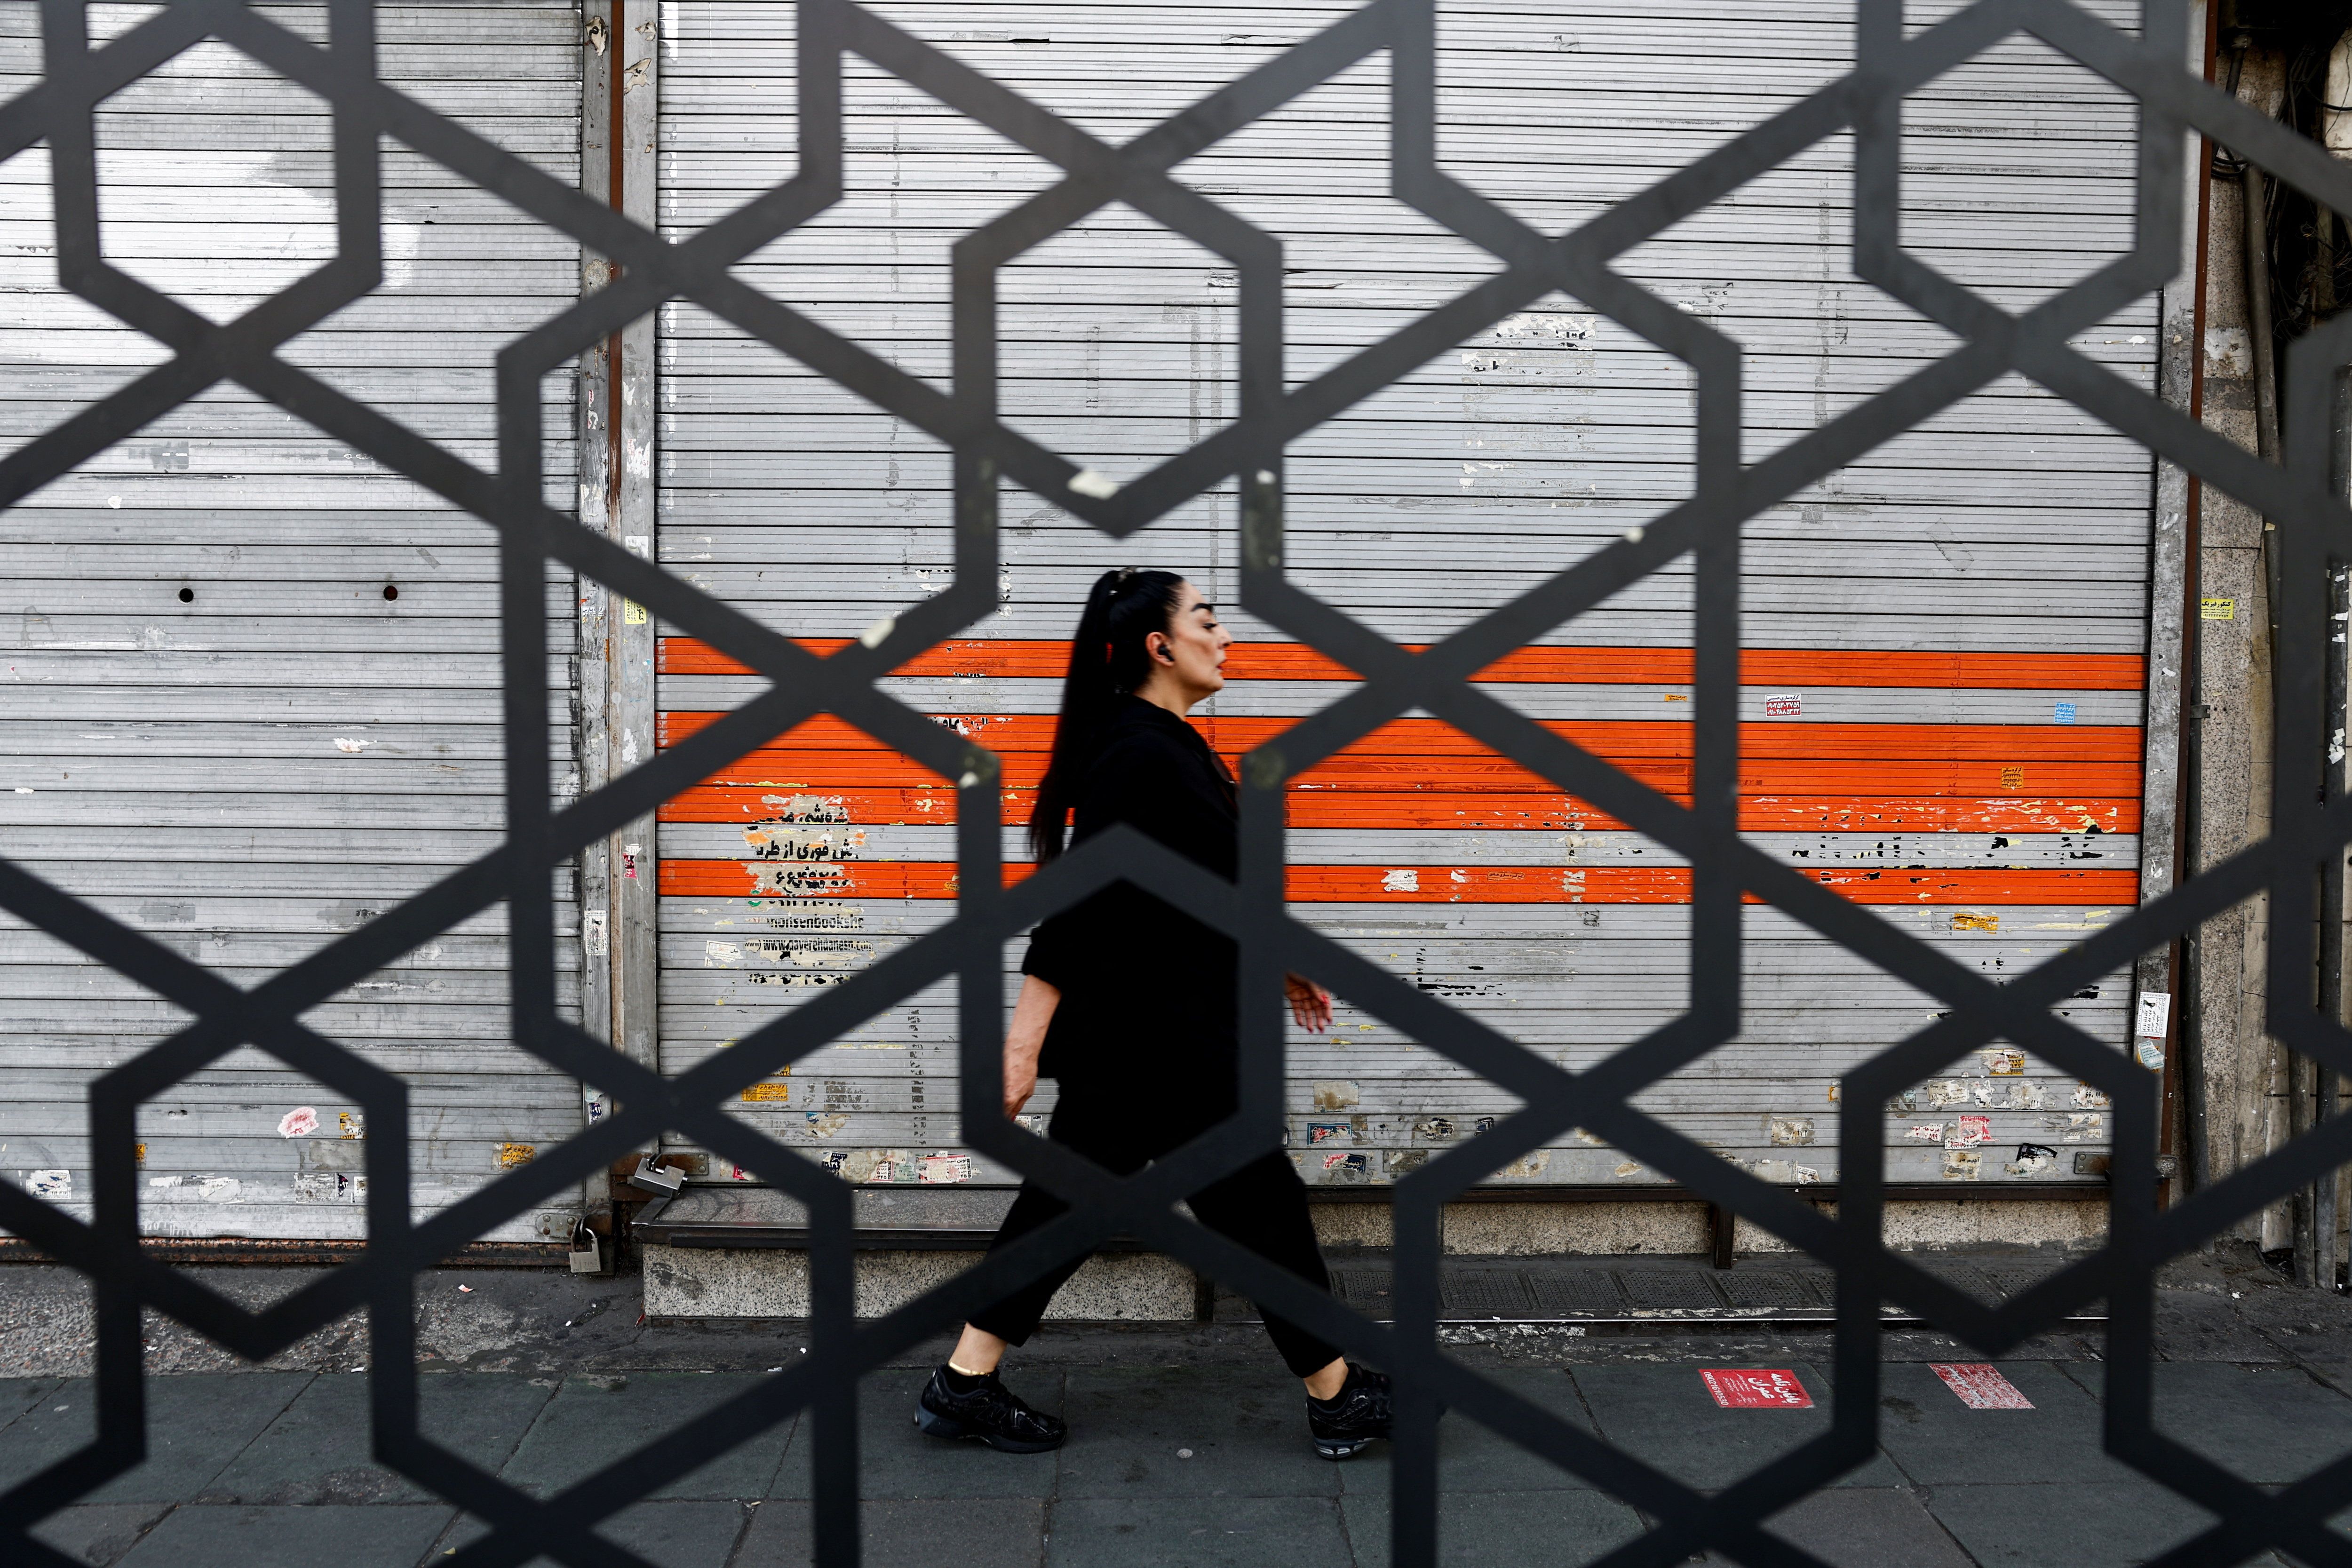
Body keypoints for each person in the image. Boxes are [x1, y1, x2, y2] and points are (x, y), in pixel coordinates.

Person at [912, 567, 1393, 1461]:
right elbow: (1079, 905)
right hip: (1158, 1039)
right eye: (1207, 620)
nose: (1225, 636)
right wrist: (1020, 1046)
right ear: (1159, 645)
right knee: (1262, 1210)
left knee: (1076, 1205)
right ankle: (1336, 1396)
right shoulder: (1141, 752)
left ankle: (965, 1382)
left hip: (1151, 1038)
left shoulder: (1168, 747)